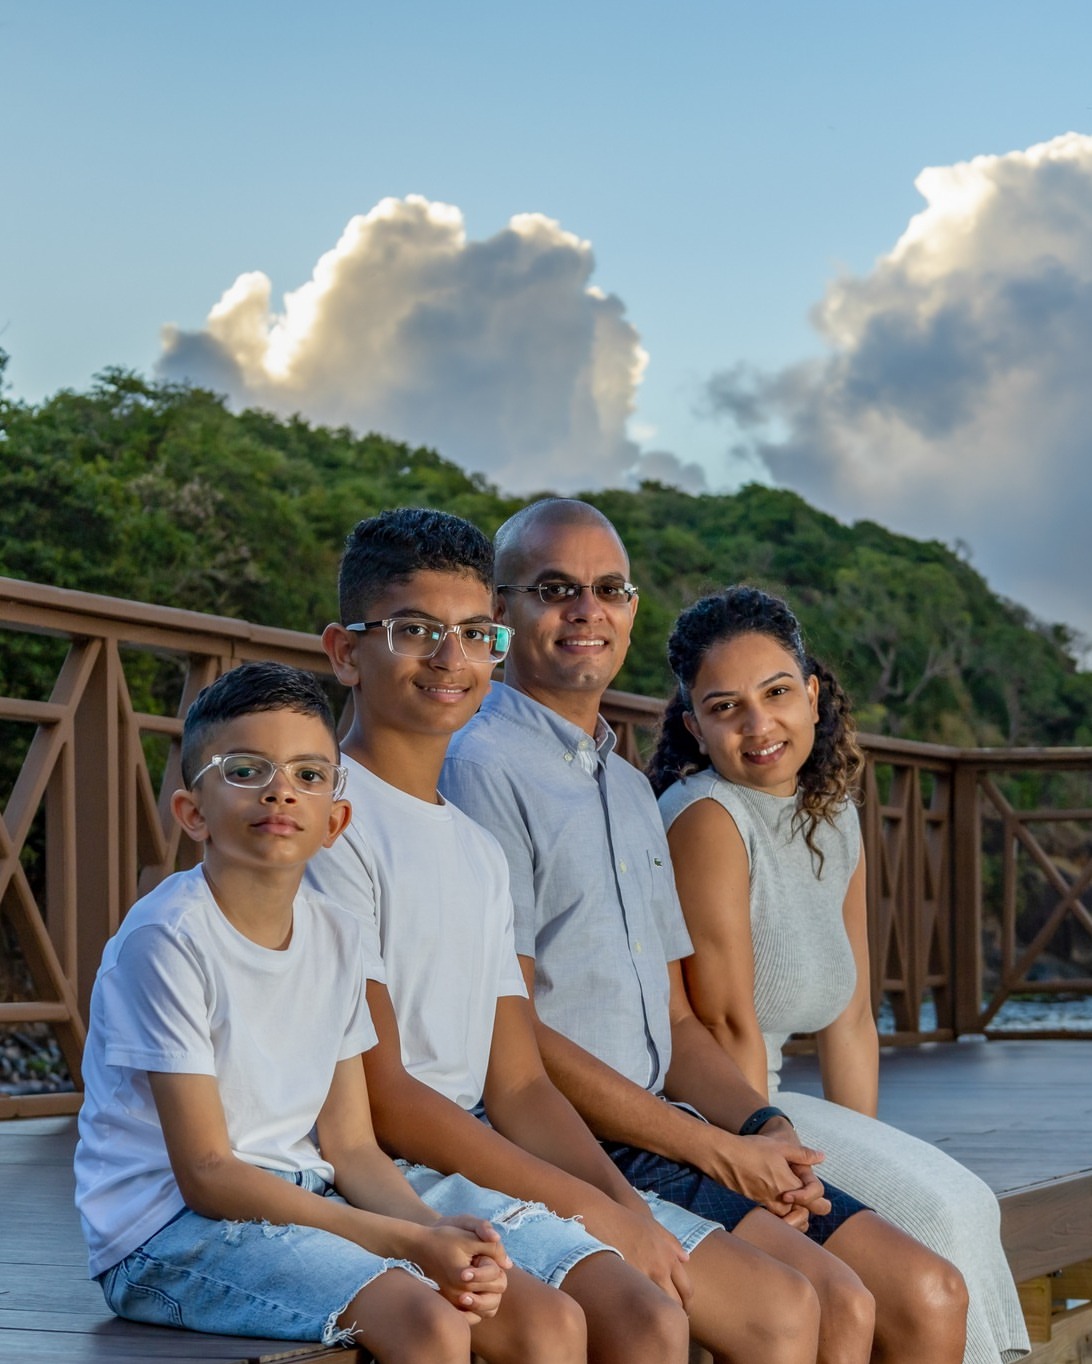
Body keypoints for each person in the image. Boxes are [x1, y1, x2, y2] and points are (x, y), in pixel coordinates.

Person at [441, 497, 970, 1364]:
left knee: (920, 1291)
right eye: (555, 589)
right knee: (812, 1306)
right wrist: (718, 1151)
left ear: (632, 609)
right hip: (573, 1140)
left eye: (608, 589)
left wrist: (761, 1129)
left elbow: (680, 1023)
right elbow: (514, 1036)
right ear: (500, 612)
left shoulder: (623, 787)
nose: (586, 610)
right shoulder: (483, 767)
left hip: (672, 1124)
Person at [305, 507, 822, 1364]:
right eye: (414, 632)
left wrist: (621, 1205)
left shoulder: (470, 843)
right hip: (384, 1164)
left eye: (472, 635)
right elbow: (386, 1099)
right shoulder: (328, 824)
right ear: (345, 650)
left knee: (769, 1306)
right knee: (656, 1318)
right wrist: (604, 1211)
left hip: (502, 1138)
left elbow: (518, 1082)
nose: (450, 659)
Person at [73, 661, 515, 1363]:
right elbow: (209, 1172)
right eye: (247, 769)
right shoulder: (167, 939)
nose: (281, 789)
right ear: (193, 813)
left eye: (309, 775)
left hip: (300, 1194)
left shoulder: (338, 934)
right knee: (430, 1323)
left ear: (335, 820)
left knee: (525, 1315)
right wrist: (408, 1242)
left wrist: (437, 1232)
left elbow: (352, 1146)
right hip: (165, 1234)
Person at [648, 585, 1030, 1364]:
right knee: (941, 1234)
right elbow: (724, 1029)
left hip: (787, 1104)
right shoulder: (708, 818)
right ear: (695, 725)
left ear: (813, 694)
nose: (759, 726)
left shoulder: (833, 812)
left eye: (777, 693)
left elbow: (854, 1017)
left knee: (961, 1204)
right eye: (726, 708)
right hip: (726, 1109)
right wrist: (770, 1169)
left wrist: (874, 1149)